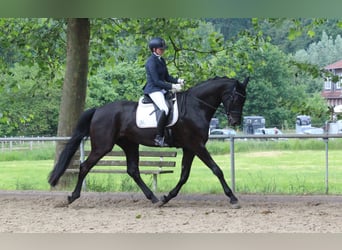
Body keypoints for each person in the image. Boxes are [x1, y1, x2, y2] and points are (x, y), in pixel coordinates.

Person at [144, 37, 185, 146]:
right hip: (154, 89)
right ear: (154, 49)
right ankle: (159, 137)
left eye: (163, 49)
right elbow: (157, 81)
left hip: (162, 89)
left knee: (176, 104)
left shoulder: (161, 60)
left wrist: (178, 80)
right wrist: (172, 86)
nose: (163, 50)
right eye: (160, 49)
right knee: (165, 109)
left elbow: (166, 76)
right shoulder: (151, 62)